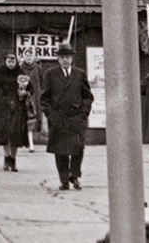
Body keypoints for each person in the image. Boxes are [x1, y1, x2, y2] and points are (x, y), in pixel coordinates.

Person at [42, 43, 93, 191]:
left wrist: (84, 113)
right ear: (58, 59)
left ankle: (75, 176)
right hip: (59, 118)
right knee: (60, 150)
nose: (65, 60)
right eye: (62, 57)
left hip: (76, 118)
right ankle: (64, 179)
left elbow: (88, 96)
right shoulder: (50, 74)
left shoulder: (79, 74)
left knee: (78, 148)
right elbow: (44, 98)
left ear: (72, 58)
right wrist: (51, 115)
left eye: (68, 57)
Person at [0, 50, 29, 172]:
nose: (11, 63)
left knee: (15, 133)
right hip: (2, 107)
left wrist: (25, 93)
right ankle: (6, 157)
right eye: (9, 61)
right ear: (5, 61)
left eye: (13, 61)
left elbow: (30, 88)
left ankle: (13, 159)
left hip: (17, 107)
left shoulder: (21, 73)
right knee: (4, 133)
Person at [18, 52, 43, 148]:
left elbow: (41, 81)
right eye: (26, 56)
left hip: (35, 95)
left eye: (30, 56)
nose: (28, 57)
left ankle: (30, 141)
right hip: (25, 95)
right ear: (24, 57)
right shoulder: (21, 68)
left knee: (34, 116)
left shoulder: (37, 68)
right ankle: (28, 141)